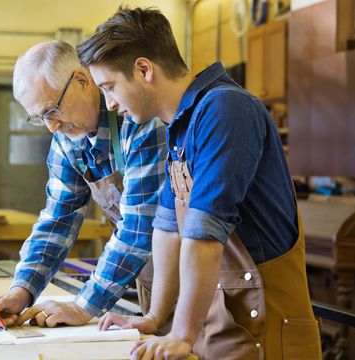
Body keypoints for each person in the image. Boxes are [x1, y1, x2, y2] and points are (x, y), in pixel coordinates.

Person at [77, 6, 321, 360]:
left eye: (110, 87)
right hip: (230, 327)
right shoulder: (180, 126)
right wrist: (156, 317)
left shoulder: (224, 110)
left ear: (144, 69)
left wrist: (181, 333)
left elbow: (203, 234)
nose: (110, 104)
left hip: (269, 334)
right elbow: (166, 230)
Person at [0, 40, 167, 330]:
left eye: (52, 110)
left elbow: (138, 226)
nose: (52, 127)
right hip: (151, 280)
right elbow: (58, 219)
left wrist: (82, 307)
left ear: (81, 81)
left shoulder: (138, 120)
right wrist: (22, 291)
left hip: (202, 279)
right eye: (39, 118)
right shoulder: (67, 140)